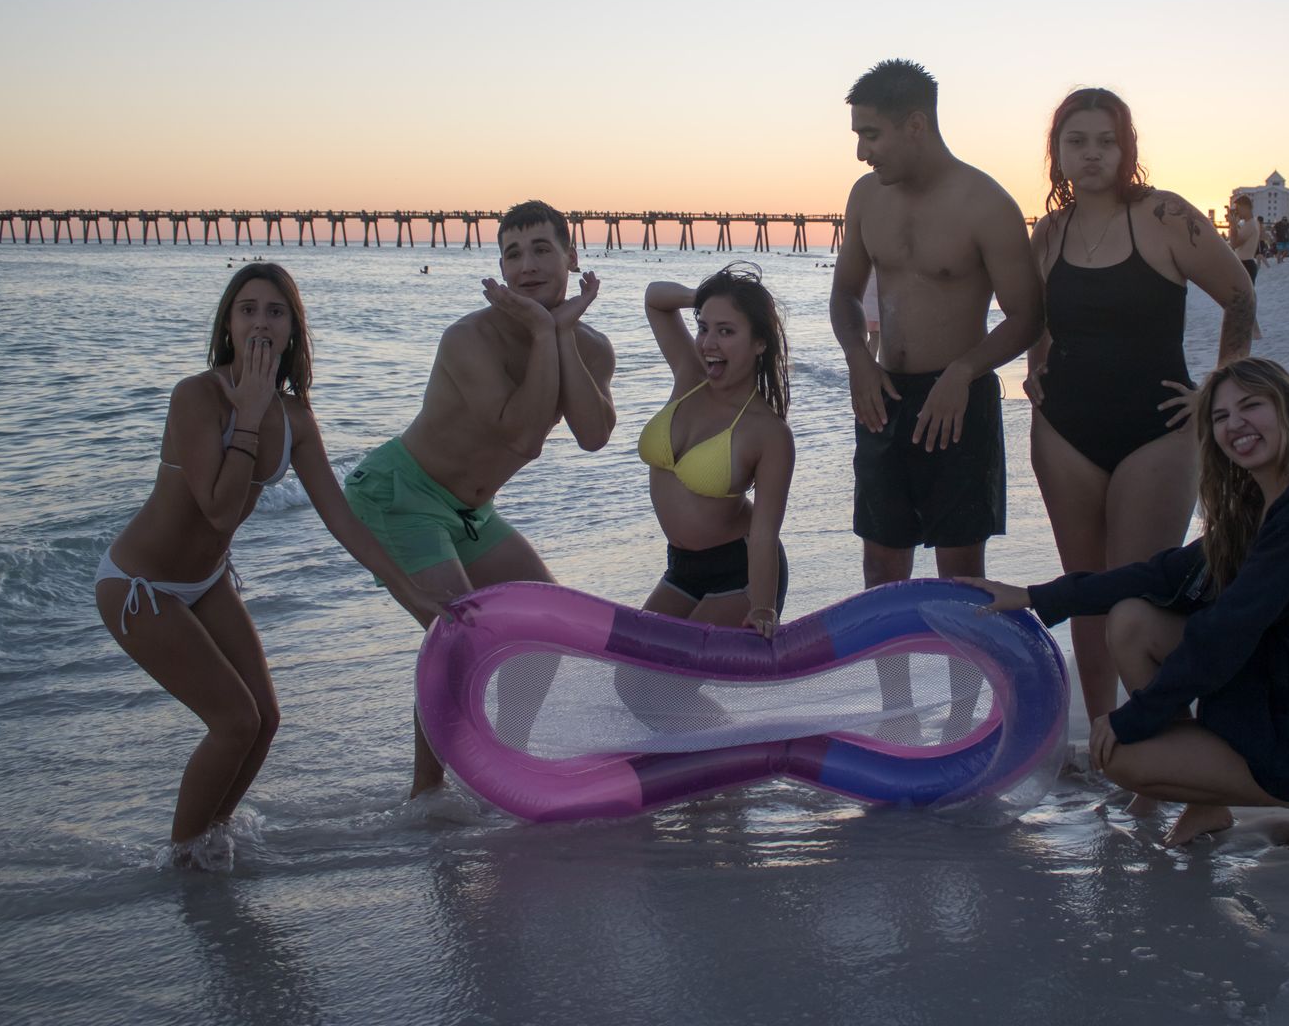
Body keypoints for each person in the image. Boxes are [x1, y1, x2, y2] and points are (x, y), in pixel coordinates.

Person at [966, 356, 1289, 851]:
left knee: (1122, 758)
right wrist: (1035, 596)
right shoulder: (1269, 504)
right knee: (1132, 620)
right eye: (1220, 416)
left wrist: (1134, 718)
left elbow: (1223, 637)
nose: (1236, 424)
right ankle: (1210, 802)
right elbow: (1163, 573)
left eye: (1251, 406)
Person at [95, 264, 444, 863]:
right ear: (228, 326)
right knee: (235, 721)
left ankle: (213, 838)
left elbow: (341, 519)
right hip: (140, 586)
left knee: (266, 718)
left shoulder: (297, 419)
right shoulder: (195, 396)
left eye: (275, 312)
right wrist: (249, 416)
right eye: (248, 309)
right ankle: (180, 860)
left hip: (207, 581)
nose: (261, 322)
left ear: (292, 331)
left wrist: (411, 593)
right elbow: (218, 511)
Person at [344, 200, 616, 794]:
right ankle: (427, 796)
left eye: (542, 249)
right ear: (500, 269)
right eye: (513, 254)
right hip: (400, 494)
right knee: (458, 639)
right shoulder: (468, 338)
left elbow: (594, 436)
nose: (527, 265)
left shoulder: (592, 348)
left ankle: (505, 756)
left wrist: (561, 334)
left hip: (469, 512)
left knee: (546, 632)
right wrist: (544, 331)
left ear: (572, 256)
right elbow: (522, 435)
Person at [1026, 89, 1255, 727]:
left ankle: (1155, 742)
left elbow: (1239, 295)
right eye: (1077, 142)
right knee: (1084, 592)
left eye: (1107, 141)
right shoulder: (1049, 232)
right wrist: (1035, 367)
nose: (1092, 154)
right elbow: (1037, 315)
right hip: (1064, 433)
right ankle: (1104, 738)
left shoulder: (1165, 215)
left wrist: (1219, 390)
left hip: (1160, 431)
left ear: (1127, 149)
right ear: (1057, 152)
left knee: (1137, 597)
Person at [830, 59, 1044, 729]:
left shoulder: (986, 204)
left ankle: (960, 714)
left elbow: (1027, 315)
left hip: (960, 398)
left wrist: (964, 370)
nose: (861, 151)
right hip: (884, 393)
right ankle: (896, 712)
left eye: (871, 135)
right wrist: (857, 360)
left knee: (960, 566)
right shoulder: (866, 198)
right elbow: (844, 294)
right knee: (881, 561)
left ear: (915, 125)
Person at [639, 264, 794, 638]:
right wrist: (708, 296)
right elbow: (655, 298)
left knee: (678, 667)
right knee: (631, 670)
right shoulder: (690, 376)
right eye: (704, 327)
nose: (709, 343)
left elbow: (764, 534)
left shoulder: (769, 433)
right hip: (682, 568)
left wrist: (762, 607)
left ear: (760, 342)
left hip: (739, 572)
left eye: (726, 331)